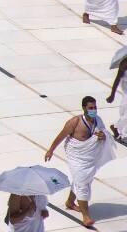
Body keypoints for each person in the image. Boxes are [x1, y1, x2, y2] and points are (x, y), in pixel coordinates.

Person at [45, 96, 116, 228]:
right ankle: (86, 216)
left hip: (89, 157)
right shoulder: (74, 122)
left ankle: (70, 202)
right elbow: (61, 136)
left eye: (95, 107)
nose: (93, 110)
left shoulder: (97, 120)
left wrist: (103, 136)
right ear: (84, 108)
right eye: (91, 108)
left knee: (82, 179)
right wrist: (50, 150)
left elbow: (104, 133)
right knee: (82, 182)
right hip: (76, 156)